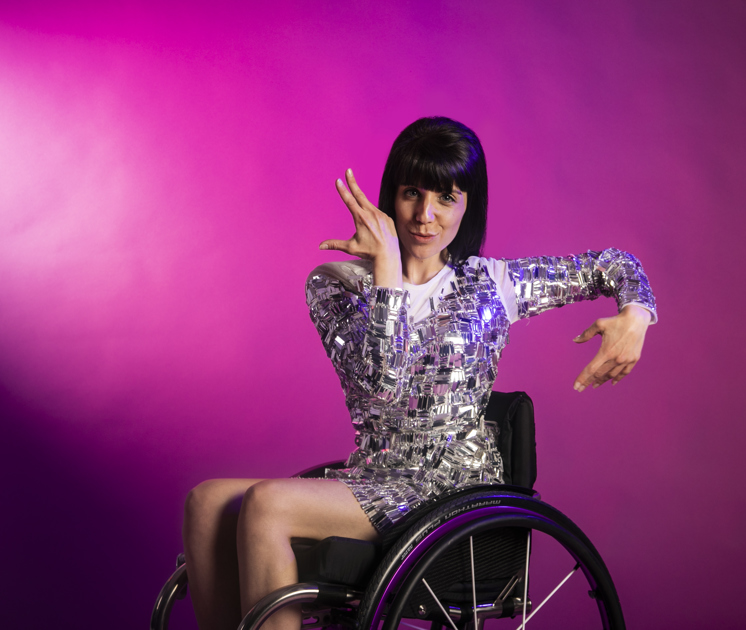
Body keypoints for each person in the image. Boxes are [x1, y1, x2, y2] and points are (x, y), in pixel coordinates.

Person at [182, 116, 656, 630]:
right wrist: (386, 273)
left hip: (450, 483)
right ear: (391, 195)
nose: (425, 216)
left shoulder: (492, 282)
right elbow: (381, 387)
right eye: (412, 193)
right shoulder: (336, 285)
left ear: (468, 205)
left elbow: (615, 265)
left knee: (267, 505)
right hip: (376, 474)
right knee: (205, 502)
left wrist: (636, 317)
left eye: (446, 198)